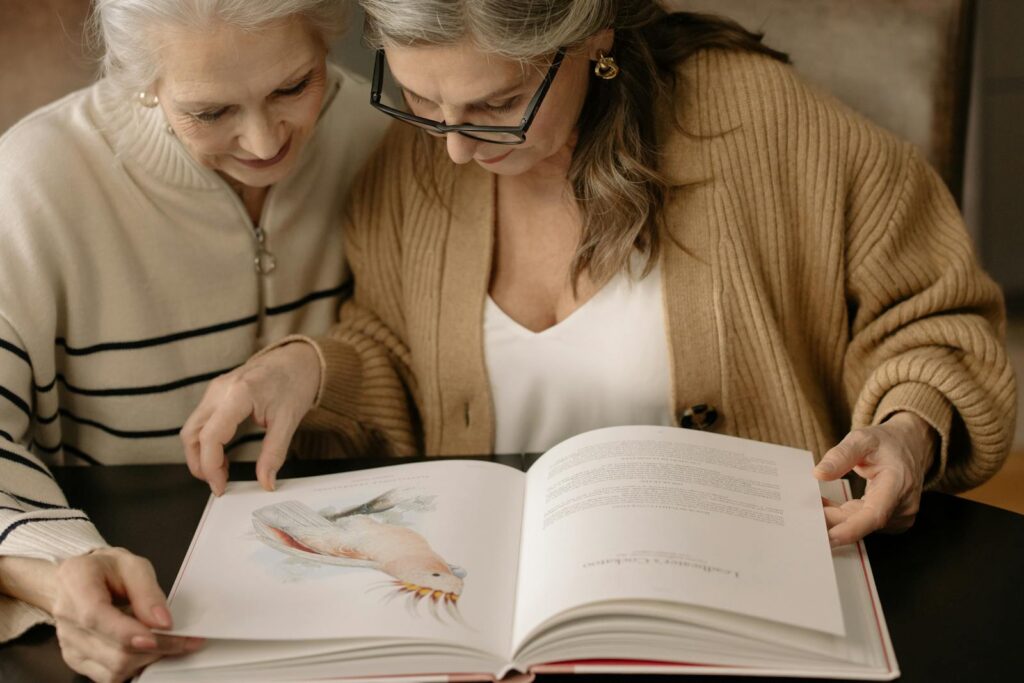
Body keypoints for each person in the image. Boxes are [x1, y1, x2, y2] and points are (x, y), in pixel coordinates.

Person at [186, 0, 1016, 565]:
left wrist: (908, 430)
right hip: (492, 607)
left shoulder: (771, 127)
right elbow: (398, 348)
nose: (453, 149)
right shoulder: (411, 173)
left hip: (756, 587)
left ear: (592, 40)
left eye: (496, 103)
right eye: (419, 98)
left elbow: (933, 319)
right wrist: (308, 369)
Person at [0, 0, 389, 679]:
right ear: (137, 77)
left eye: (293, 87)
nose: (266, 142)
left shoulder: (384, 135)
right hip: (141, 613)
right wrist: (63, 574)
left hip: (365, 599)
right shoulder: (33, 181)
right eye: (210, 113)